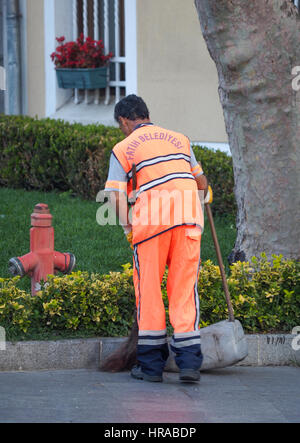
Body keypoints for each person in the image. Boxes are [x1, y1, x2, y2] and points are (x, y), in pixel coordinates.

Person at [104, 94, 210, 383]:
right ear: (146, 115)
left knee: (149, 293)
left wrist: (128, 229)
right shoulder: (180, 139)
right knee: (184, 292)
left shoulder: (123, 147)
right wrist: (202, 199)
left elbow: (114, 195)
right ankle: (189, 365)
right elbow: (202, 183)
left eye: (120, 125)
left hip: (152, 225)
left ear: (124, 121)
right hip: (189, 221)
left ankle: (151, 368)